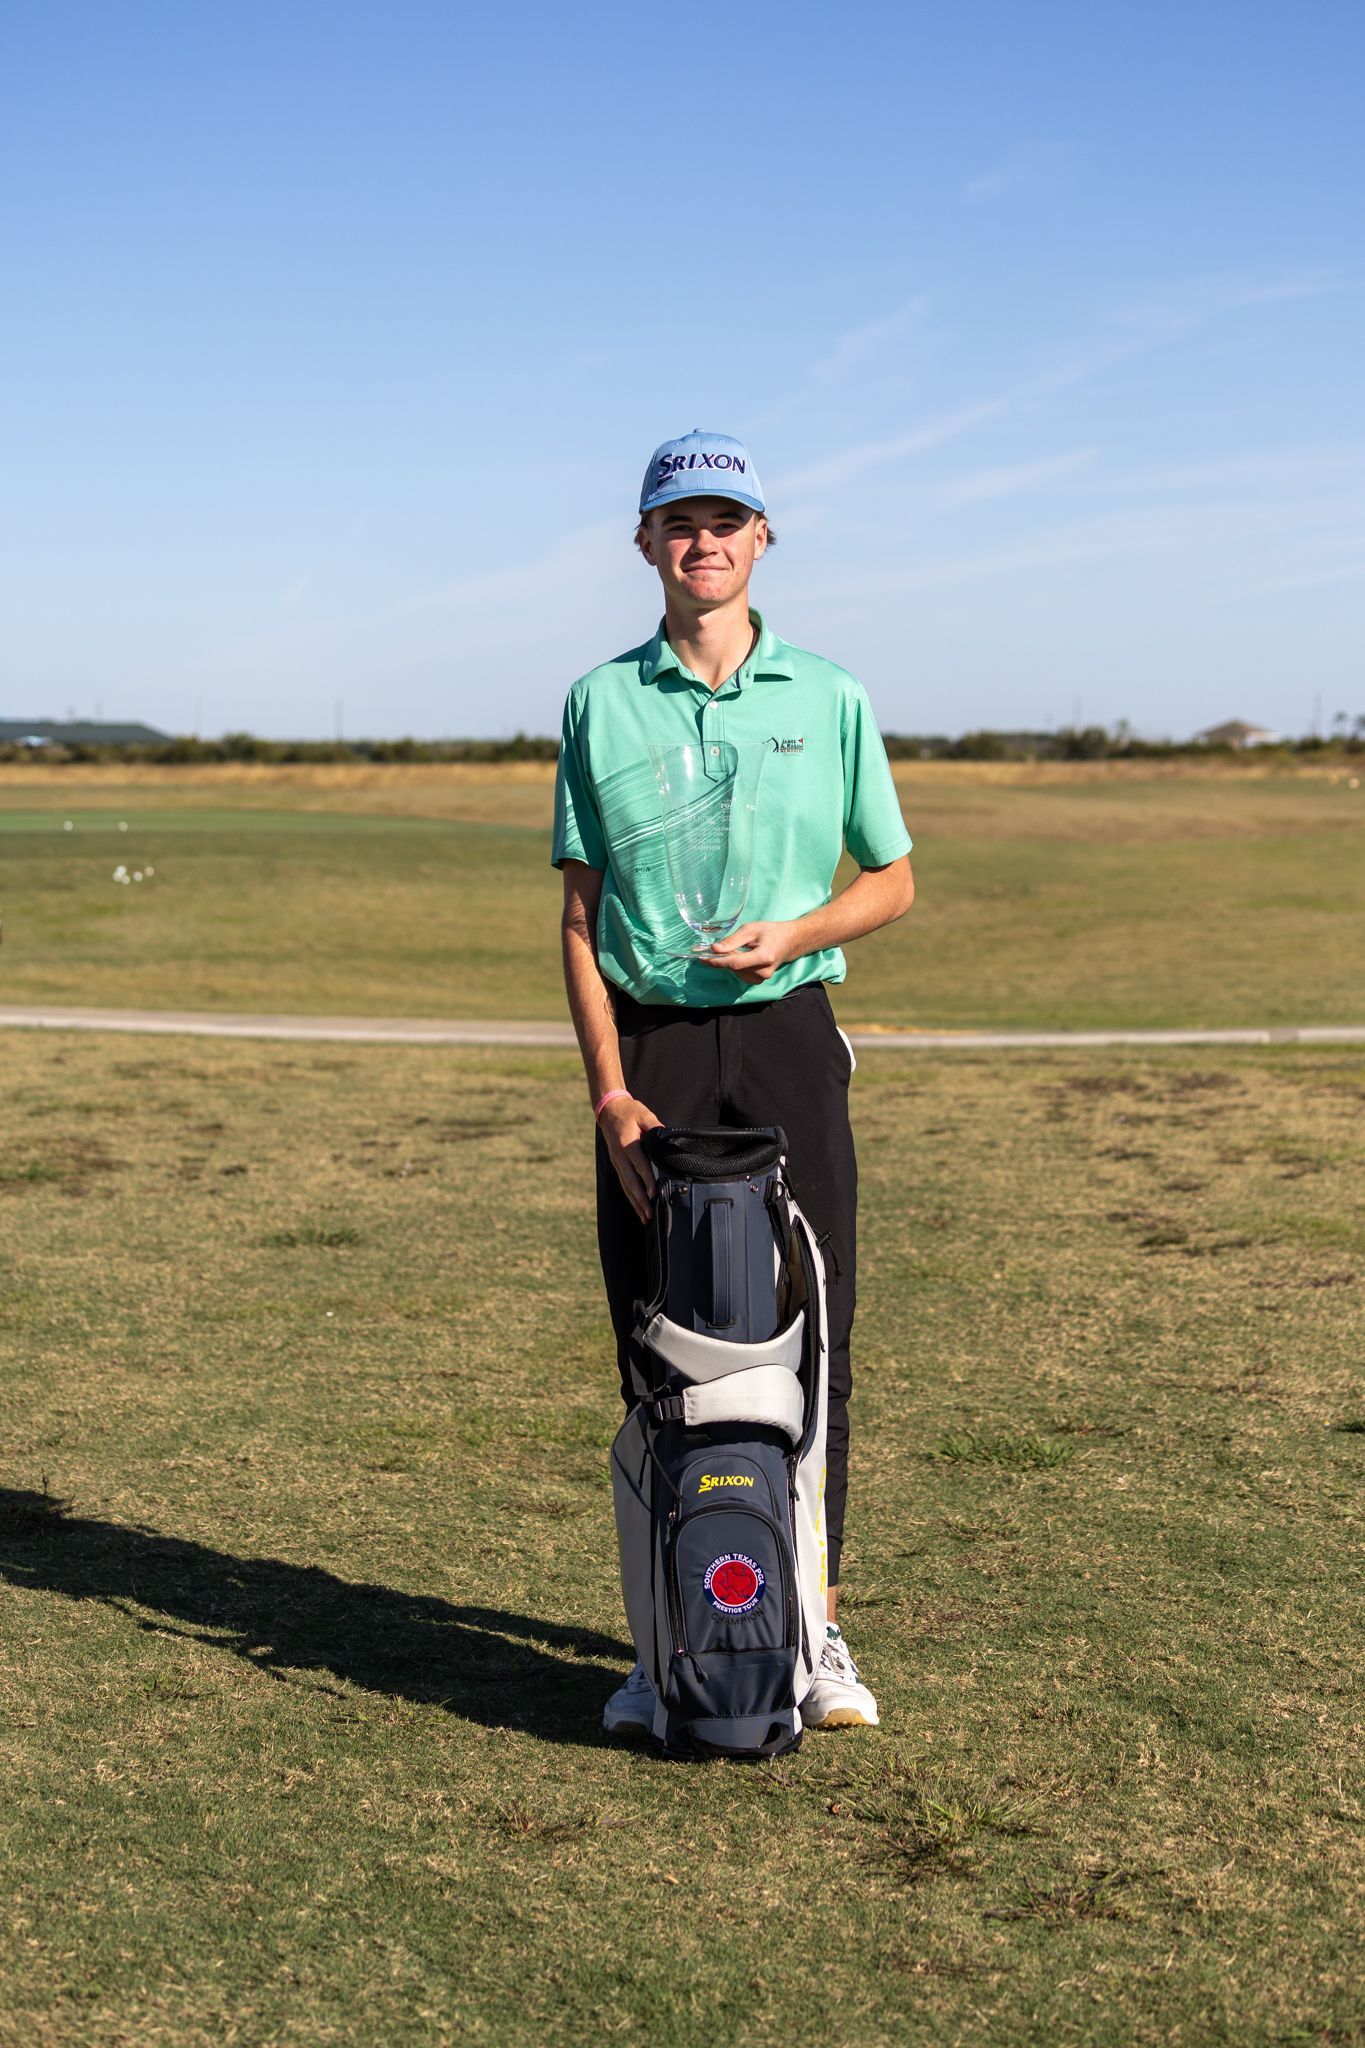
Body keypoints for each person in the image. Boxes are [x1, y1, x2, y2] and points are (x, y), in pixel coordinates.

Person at [553, 429, 914, 1736]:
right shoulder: (599, 703)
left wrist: (796, 933)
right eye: (679, 522)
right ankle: (664, 1650)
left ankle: (807, 1629)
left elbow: (891, 878)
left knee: (814, 1343)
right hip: (648, 1054)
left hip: (783, 1040)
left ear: (763, 540)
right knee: (655, 1346)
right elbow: (581, 920)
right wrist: (607, 1094)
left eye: (727, 520)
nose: (702, 542)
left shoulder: (827, 697)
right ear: (645, 545)